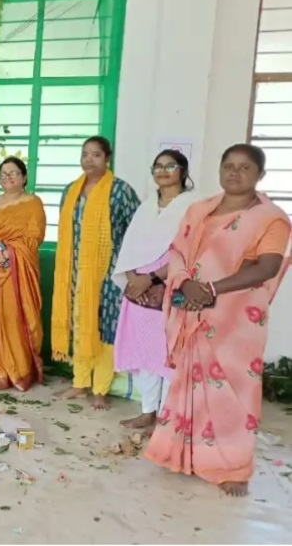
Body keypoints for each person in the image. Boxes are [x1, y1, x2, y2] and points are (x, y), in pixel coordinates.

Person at [145, 144, 291, 497]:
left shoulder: (270, 218)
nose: (235, 172)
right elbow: (178, 252)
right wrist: (186, 283)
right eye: (229, 166)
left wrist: (211, 289)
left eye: (245, 167)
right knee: (192, 383)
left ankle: (232, 467)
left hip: (236, 317)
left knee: (233, 390)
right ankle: (184, 454)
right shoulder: (199, 210)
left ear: (260, 175)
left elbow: (267, 266)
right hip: (194, 305)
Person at [51, 135, 141, 410]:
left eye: (96, 154)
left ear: (107, 159)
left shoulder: (121, 191)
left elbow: (136, 231)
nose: (89, 159)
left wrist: (130, 269)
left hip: (109, 274)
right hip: (75, 272)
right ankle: (79, 383)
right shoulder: (71, 191)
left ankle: (100, 388)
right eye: (85, 154)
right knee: (80, 325)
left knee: (105, 329)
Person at [110, 150, 197, 430]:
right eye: (158, 166)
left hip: (170, 286)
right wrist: (133, 276)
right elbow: (130, 246)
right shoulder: (146, 207)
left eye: (170, 166)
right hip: (139, 289)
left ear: (183, 171)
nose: (163, 171)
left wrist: (152, 279)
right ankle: (147, 411)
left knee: (169, 355)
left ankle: (166, 418)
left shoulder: (193, 206)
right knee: (144, 351)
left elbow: (190, 252)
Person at [0, 157, 46, 391]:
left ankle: (17, 369)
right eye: (3, 174)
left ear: (24, 177)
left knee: (13, 316)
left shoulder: (33, 203)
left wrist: (7, 254)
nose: (8, 177)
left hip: (16, 271)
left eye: (13, 173)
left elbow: (34, 238)